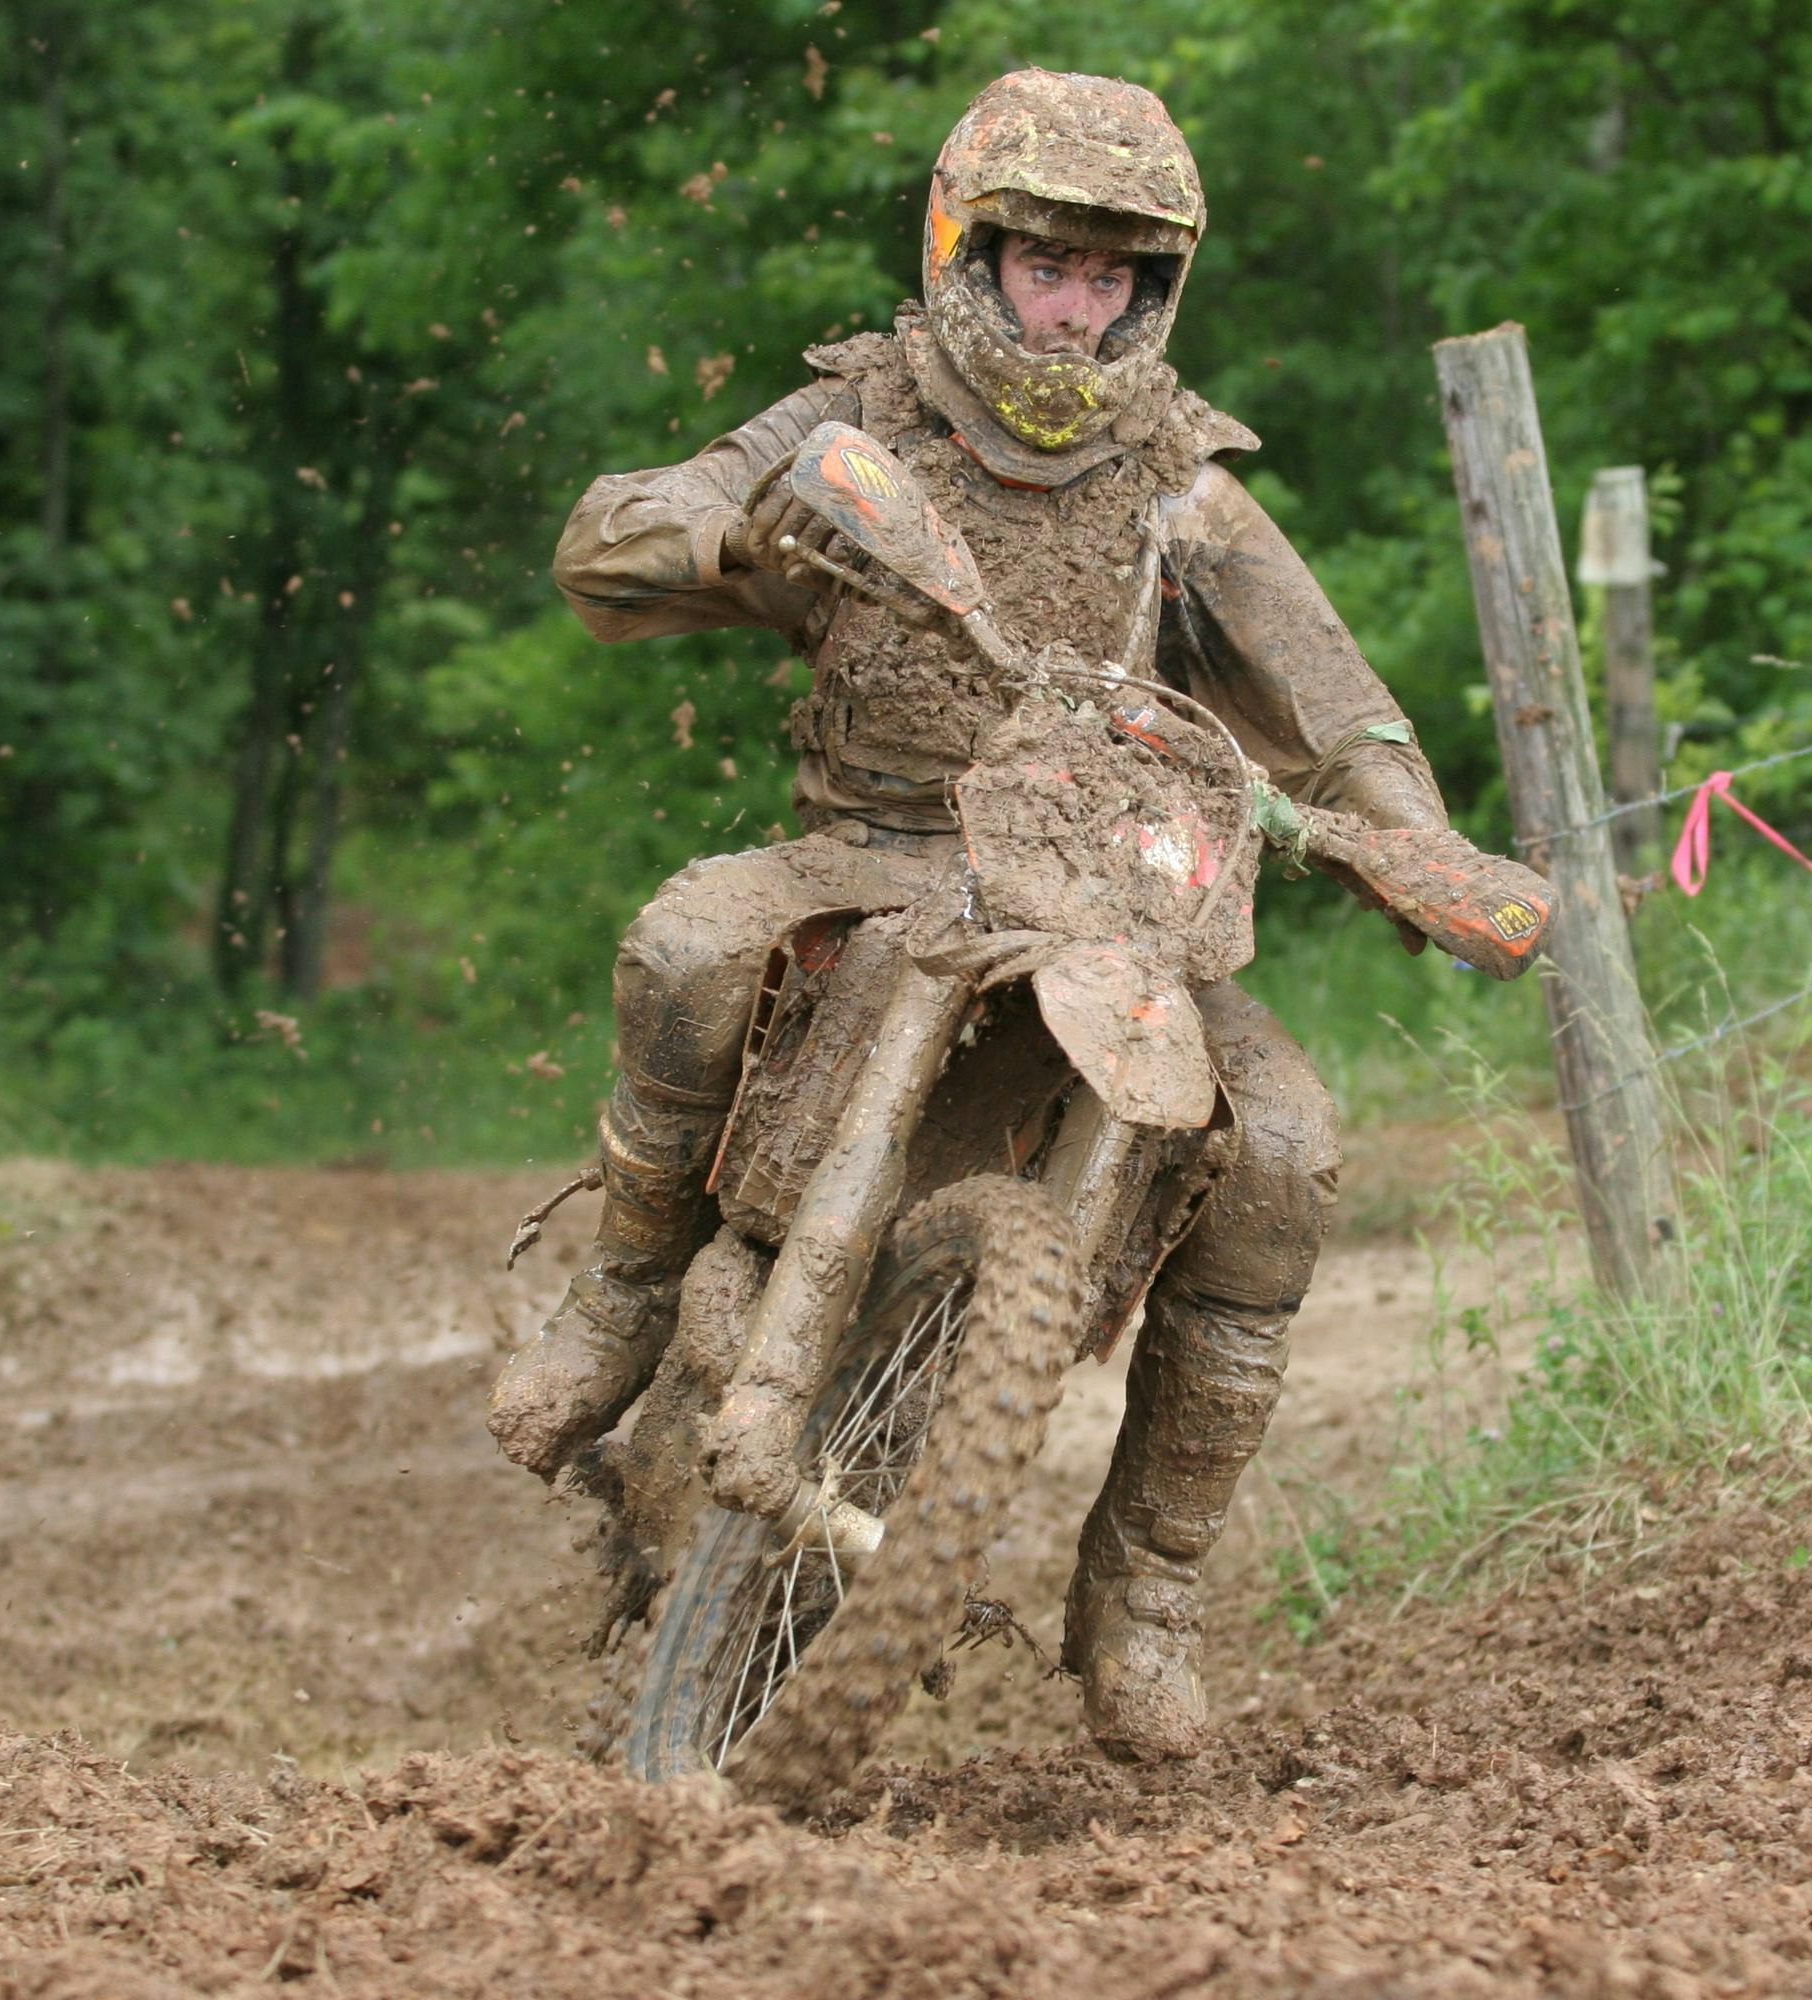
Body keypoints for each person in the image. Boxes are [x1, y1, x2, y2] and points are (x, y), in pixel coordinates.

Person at [492, 69, 1456, 1763]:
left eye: (1109, 277)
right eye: (1046, 268)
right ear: (970, 248)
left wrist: (1419, 844)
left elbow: (1341, 704)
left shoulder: (1180, 482)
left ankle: (1144, 1598)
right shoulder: (858, 415)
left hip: (1104, 902)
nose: (1074, 309)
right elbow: (605, 538)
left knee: (1290, 1141)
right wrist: (734, 534)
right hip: (872, 851)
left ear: (1153, 290)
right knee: (689, 944)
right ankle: (624, 1298)